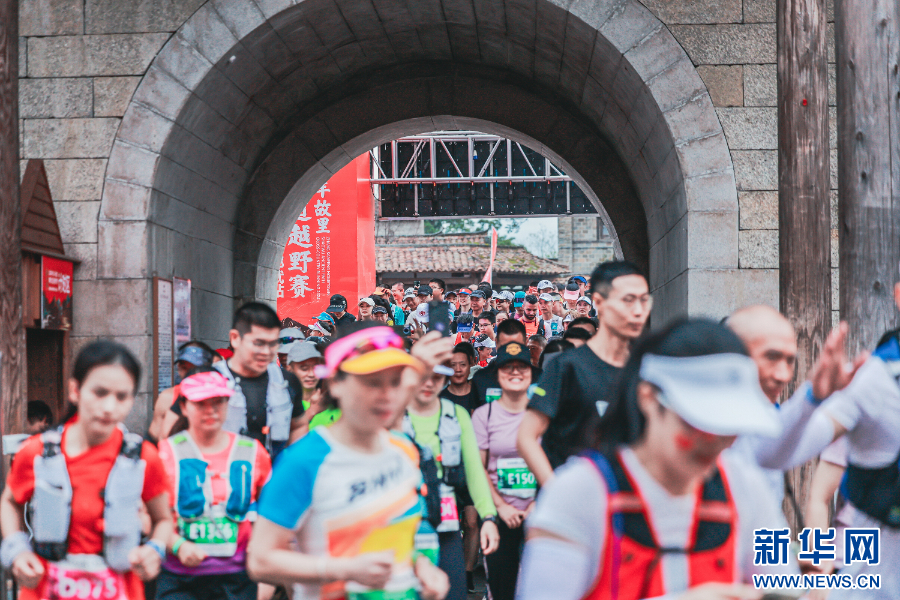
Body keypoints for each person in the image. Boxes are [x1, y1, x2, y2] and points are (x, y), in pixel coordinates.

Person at [516, 319, 796, 600]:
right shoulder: (577, 493)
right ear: (648, 397)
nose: (713, 441)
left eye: (727, 427)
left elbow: (783, 586)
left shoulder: (747, 488)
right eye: (697, 423)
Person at [246, 324, 451, 600]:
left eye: (394, 382)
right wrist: (345, 569)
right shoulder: (304, 462)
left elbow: (398, 539)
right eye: (372, 382)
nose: (386, 395)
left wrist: (422, 568)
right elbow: (260, 561)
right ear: (335, 383)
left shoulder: (404, 450)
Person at [0, 340, 172, 600]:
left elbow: (164, 519)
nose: (109, 407)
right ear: (75, 390)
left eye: (122, 396)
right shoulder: (37, 452)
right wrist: (17, 551)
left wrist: (155, 549)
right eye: (100, 393)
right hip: (47, 589)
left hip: (118, 590)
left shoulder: (144, 458)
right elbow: (10, 501)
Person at [518, 261, 651, 485]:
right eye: (628, 300)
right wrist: (556, 490)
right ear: (599, 302)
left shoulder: (646, 370)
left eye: (644, 300)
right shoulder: (566, 367)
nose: (638, 311)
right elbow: (526, 437)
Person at [156, 370, 272, 600]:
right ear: (184, 406)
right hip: (179, 578)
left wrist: (264, 568)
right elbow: (148, 515)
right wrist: (177, 545)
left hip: (237, 579)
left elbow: (271, 510)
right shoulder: (164, 453)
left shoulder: (252, 452)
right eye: (201, 404)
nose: (210, 410)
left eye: (218, 402)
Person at [403, 358, 500, 600]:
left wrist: (488, 516)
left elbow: (475, 471)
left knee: (453, 591)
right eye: (423, 376)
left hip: (446, 522)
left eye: (436, 377)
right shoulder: (395, 413)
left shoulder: (456, 415)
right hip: (403, 521)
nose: (429, 384)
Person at [472, 342, 537, 600]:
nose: (515, 372)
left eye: (521, 367)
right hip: (499, 516)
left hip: (538, 515)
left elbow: (553, 463)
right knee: (502, 590)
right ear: (498, 374)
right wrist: (501, 507)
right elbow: (478, 469)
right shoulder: (483, 416)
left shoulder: (544, 414)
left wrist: (536, 504)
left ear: (530, 373)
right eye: (508, 367)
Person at [209, 302, 307, 458]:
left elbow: (299, 425)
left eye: (273, 344)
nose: (266, 352)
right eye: (258, 343)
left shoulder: (286, 381)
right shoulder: (208, 379)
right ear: (235, 338)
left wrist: (291, 463)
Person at [150, 341, 218, 443]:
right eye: (184, 368)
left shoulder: (220, 399)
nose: (188, 374)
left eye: (194, 369)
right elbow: (154, 437)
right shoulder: (167, 397)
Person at [471, 319, 532, 409]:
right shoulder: (481, 379)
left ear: (526, 342)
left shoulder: (538, 379)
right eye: (505, 343)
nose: (510, 349)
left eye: (516, 343)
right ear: (497, 342)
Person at [285, 342, 323, 411]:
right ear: (289, 369)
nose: (311, 374)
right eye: (304, 369)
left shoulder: (332, 400)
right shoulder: (283, 404)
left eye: (315, 368)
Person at [441, 343, 478, 413]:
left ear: (470, 367)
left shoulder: (479, 397)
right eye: (453, 365)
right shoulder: (439, 399)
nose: (458, 369)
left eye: (463, 365)